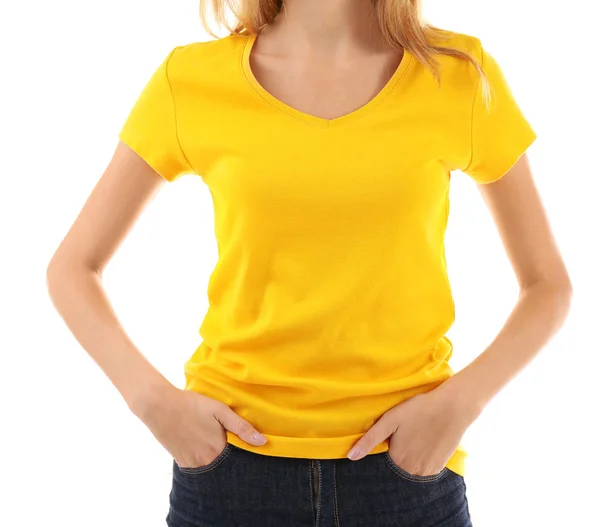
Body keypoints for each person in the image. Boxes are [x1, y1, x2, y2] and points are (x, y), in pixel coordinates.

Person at [46, 0, 572, 525]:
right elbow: (73, 268)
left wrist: (460, 406)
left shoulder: (458, 75)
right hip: (229, 470)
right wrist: (152, 403)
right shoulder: (190, 80)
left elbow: (547, 285)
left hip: (406, 471)